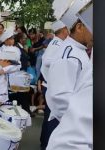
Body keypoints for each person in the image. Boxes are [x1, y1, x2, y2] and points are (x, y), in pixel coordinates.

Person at [44, 0, 93, 149]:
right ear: (79, 27)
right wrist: (79, 125)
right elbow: (60, 98)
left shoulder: (78, 50)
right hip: (67, 128)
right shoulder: (69, 54)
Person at [39, 20, 69, 149]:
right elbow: (46, 61)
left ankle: (44, 142)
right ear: (63, 30)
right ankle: (46, 144)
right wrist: (62, 63)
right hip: (50, 86)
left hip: (49, 85)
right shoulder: (57, 43)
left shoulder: (57, 42)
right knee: (52, 118)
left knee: (48, 117)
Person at [0, 47, 20, 115]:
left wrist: (5, 70)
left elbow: (17, 67)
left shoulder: (5, 70)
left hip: (4, 101)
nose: (10, 66)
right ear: (4, 60)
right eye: (10, 63)